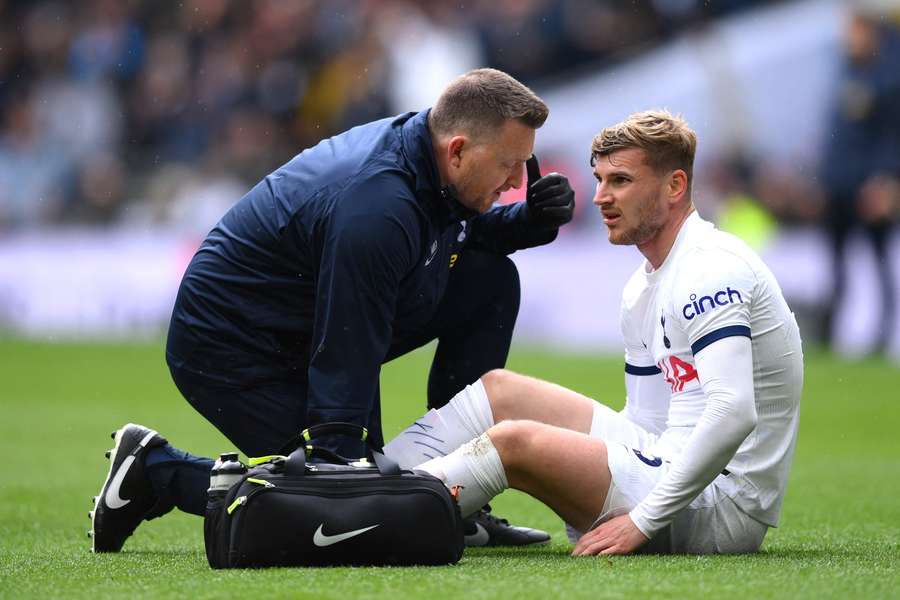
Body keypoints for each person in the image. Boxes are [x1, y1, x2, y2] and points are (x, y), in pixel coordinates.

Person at [89, 68, 576, 552]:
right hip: (228, 347)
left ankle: (455, 495)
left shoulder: (427, 157)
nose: (517, 180)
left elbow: (455, 236)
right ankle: (155, 472)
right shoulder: (379, 207)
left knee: (487, 279)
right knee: (355, 502)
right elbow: (346, 350)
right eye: (511, 164)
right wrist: (353, 476)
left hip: (304, 321)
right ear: (458, 150)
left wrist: (529, 221)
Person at [383, 110, 803, 555]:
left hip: (721, 508)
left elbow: (734, 411)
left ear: (675, 186)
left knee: (514, 443)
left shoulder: (712, 269)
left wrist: (641, 520)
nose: (600, 197)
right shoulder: (643, 285)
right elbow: (646, 425)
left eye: (620, 181)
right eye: (599, 179)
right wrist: (596, 465)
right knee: (499, 392)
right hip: (667, 466)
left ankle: (369, 518)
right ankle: (363, 480)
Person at [818, 12, 900, 354]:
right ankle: (830, 332)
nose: (847, 37)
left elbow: (890, 136)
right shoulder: (845, 70)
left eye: (853, 30)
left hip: (870, 187)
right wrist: (825, 177)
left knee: (879, 262)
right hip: (839, 184)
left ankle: (882, 334)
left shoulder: (889, 78)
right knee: (836, 264)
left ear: (871, 33)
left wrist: (884, 180)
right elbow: (836, 135)